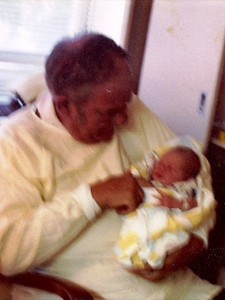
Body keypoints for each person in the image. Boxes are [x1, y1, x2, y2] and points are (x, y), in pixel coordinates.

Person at [0, 33, 222, 299]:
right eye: (109, 113)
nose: (124, 118)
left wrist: (196, 240)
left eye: (126, 103)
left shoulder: (128, 107)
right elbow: (9, 251)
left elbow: (194, 168)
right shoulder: (14, 144)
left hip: (190, 291)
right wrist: (93, 197)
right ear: (65, 105)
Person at [115, 145, 214, 270]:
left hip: (167, 222)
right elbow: (132, 182)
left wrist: (176, 203)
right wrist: (141, 181)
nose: (162, 168)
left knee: (167, 239)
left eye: (171, 169)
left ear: (187, 178)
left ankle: (151, 254)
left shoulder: (184, 189)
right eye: (160, 163)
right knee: (134, 230)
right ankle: (132, 250)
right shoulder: (148, 178)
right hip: (144, 216)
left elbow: (197, 205)